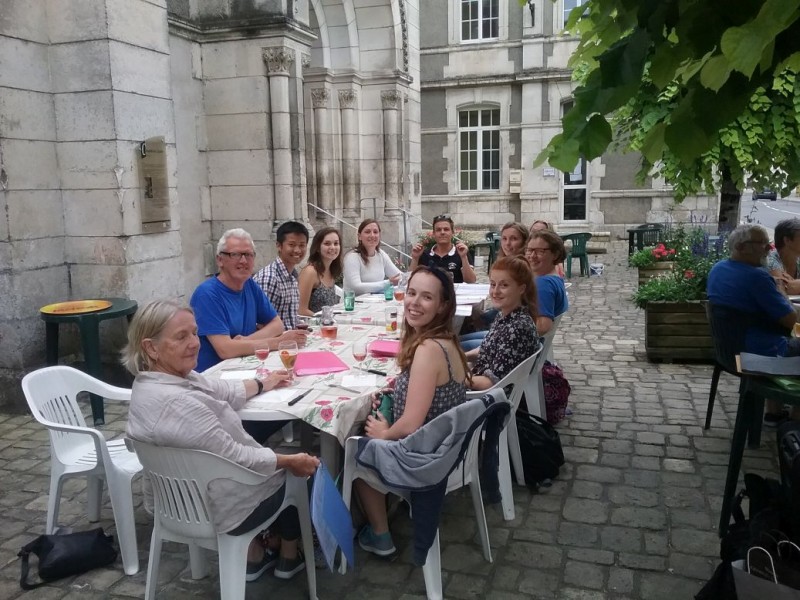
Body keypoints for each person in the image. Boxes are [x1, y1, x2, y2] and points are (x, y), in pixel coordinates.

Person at [123, 300, 320, 582]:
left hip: (176, 502)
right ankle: (289, 552)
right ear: (151, 348)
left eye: (194, 333)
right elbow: (238, 456)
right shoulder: (180, 403)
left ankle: (258, 553)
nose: (195, 343)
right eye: (181, 337)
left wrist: (264, 383)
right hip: (220, 508)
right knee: (302, 468)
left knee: (272, 456)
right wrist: (290, 461)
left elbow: (221, 388)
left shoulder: (154, 383)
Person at [354, 266, 469, 556]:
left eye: (426, 297)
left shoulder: (428, 349)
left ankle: (379, 534)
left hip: (425, 454)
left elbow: (411, 424)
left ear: (443, 306)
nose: (414, 302)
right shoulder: (446, 340)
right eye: (412, 292)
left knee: (354, 447)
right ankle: (385, 504)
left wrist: (385, 432)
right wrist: (396, 393)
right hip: (446, 443)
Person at [707, 224, 800, 426]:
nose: (768, 249)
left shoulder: (718, 269)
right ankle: (794, 423)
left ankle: (774, 413)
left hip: (728, 352)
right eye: (763, 244)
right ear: (741, 247)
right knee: (790, 343)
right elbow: (791, 319)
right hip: (754, 356)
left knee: (776, 337)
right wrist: (780, 290)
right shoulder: (757, 277)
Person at [190, 228, 308, 373]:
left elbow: (277, 324)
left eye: (248, 255)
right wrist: (277, 342)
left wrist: (246, 340)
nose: (243, 261)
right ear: (220, 260)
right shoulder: (207, 294)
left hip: (246, 367)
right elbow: (225, 349)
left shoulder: (249, 284)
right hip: (216, 376)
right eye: (235, 255)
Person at [468, 256, 540, 390]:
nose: (495, 291)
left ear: (521, 289)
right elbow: (488, 349)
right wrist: (462, 356)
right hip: (481, 378)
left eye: (504, 285)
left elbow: (492, 383)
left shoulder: (517, 328)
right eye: (493, 284)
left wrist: (455, 380)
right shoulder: (506, 314)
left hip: (488, 398)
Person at [253, 221, 309, 330]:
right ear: (279, 245)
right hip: (275, 344)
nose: (297, 250)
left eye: (302, 245)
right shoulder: (269, 277)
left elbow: (290, 317)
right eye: (291, 245)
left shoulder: (292, 276)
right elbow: (261, 323)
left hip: (292, 341)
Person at [409, 215, 476, 283]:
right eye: (438, 230)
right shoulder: (424, 254)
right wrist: (415, 258)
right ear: (434, 233)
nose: (442, 232)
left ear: (452, 232)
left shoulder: (462, 252)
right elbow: (410, 280)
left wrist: (463, 257)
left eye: (446, 229)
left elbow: (471, 281)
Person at [525, 230, 569, 334]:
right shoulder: (556, 279)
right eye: (529, 250)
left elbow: (543, 326)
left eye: (540, 251)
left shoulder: (543, 284)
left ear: (555, 254)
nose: (532, 256)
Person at [343, 219, 402, 294]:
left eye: (375, 232)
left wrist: (415, 259)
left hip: (375, 302)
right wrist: (387, 283)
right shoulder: (352, 257)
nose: (372, 235)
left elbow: (399, 276)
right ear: (359, 236)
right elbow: (356, 287)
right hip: (354, 303)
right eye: (367, 232)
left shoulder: (381, 254)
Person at [298, 227, 342, 316]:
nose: (333, 247)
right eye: (327, 244)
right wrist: (325, 319)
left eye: (336, 243)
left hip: (329, 324)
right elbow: (301, 310)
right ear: (317, 247)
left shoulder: (331, 270)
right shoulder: (310, 272)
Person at [767, 218, 800, 295]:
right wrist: (790, 285)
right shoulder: (771, 261)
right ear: (787, 240)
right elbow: (786, 288)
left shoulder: (797, 259)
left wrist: (794, 284)